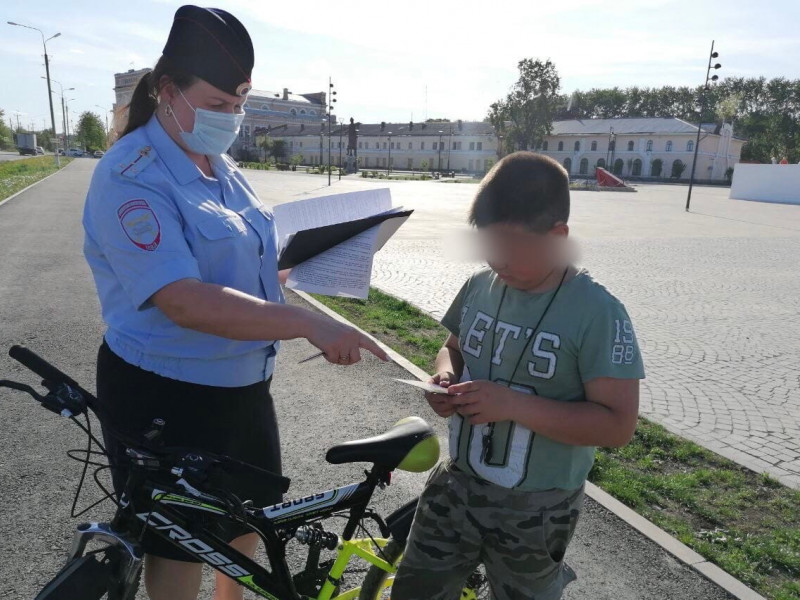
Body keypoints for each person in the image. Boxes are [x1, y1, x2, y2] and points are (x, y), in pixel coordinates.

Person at [82, 6, 387, 600]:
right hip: (166, 392)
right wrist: (304, 323)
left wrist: (314, 259)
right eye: (219, 104)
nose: (233, 118)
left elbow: (246, 260)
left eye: (240, 103)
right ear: (168, 93)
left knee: (249, 521)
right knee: (179, 544)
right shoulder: (131, 175)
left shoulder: (221, 166)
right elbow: (183, 300)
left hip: (243, 386)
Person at [392, 152, 645, 600]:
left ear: (558, 237)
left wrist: (512, 406)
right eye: (488, 246)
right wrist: (444, 378)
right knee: (415, 589)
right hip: (459, 484)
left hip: (538, 508)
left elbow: (617, 425)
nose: (497, 261)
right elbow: (452, 348)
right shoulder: (479, 286)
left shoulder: (597, 313)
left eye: (510, 247)